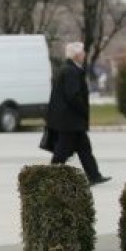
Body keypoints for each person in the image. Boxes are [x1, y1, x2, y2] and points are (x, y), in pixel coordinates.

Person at [46, 41, 110, 186]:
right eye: (82, 52)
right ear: (76, 55)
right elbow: (72, 95)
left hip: (70, 119)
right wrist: (83, 109)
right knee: (62, 151)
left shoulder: (70, 68)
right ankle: (49, 177)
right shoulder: (70, 71)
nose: (84, 55)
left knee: (84, 148)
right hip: (69, 120)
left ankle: (94, 175)